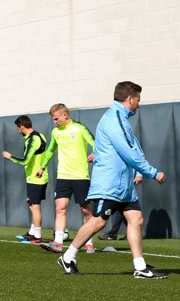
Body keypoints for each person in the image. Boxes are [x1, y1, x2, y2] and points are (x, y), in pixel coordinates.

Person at [58, 82, 167, 279]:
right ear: (130, 99)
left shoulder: (121, 118)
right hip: (110, 184)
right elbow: (128, 151)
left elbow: (133, 146)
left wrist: (138, 172)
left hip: (123, 186)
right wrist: (153, 172)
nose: (139, 105)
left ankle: (140, 267)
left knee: (136, 219)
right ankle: (68, 256)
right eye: (138, 101)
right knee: (98, 222)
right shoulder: (114, 118)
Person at [36, 104, 96, 254]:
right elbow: (50, 150)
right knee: (60, 207)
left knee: (86, 210)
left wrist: (96, 153)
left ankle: (88, 242)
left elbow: (95, 143)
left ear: (65, 115)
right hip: (63, 176)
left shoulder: (79, 128)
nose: (55, 121)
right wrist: (42, 166)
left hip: (80, 176)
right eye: (53, 119)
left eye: (56, 118)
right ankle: (58, 242)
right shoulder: (55, 132)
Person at [3, 115, 48, 244]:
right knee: (32, 206)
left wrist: (10, 156)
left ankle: (37, 236)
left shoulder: (32, 140)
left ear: (21, 127)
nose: (18, 131)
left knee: (35, 206)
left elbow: (25, 161)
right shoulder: (40, 135)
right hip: (35, 177)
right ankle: (32, 232)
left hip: (36, 178)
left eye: (18, 128)